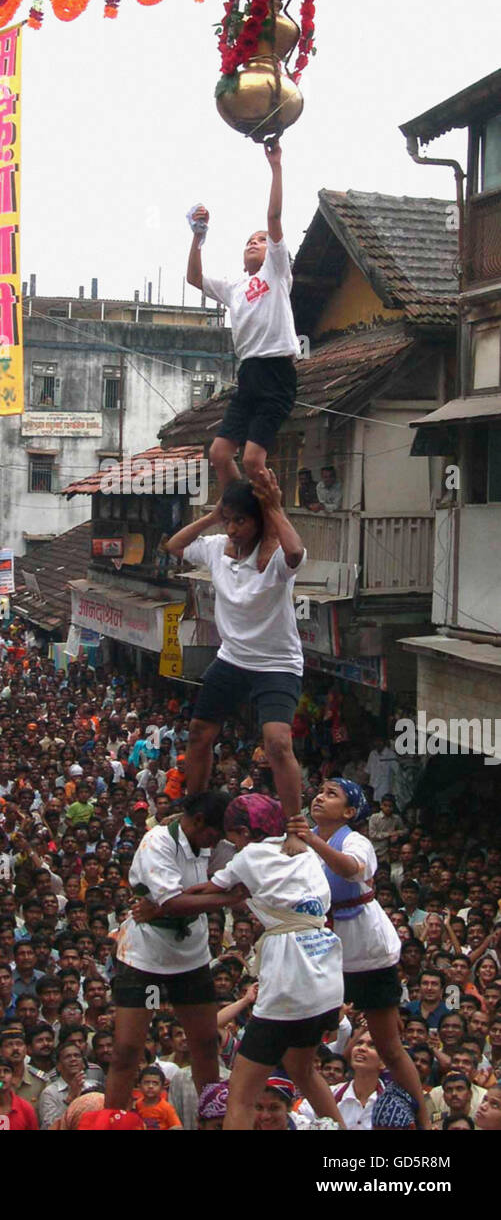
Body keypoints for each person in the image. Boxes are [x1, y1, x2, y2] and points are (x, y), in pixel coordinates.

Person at [188, 794, 345, 1131]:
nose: (232, 845)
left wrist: (166, 901)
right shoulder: (305, 850)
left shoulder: (247, 858)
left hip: (289, 980)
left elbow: (206, 891)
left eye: (233, 838)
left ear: (243, 832)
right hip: (326, 976)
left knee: (241, 1096)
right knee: (303, 1070)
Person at [164, 474, 305, 836]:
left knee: (277, 742)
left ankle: (296, 826)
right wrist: (213, 516)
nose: (233, 528)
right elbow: (175, 546)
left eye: (241, 520)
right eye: (230, 520)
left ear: (260, 522)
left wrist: (274, 507)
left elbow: (296, 553)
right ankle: (194, 808)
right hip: (231, 658)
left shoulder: (273, 558)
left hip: (276, 664)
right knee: (198, 732)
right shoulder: (216, 547)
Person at [289, 779, 430, 1129]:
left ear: (350, 812)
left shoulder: (355, 841)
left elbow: (350, 870)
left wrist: (312, 840)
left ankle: (425, 1120)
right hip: (323, 952)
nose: (320, 797)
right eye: (319, 791)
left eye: (331, 794)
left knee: (389, 1047)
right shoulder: (302, 843)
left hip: (368, 952)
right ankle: (336, 1122)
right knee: (300, 1054)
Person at [186, 143, 299, 564]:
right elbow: (194, 277)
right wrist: (198, 238)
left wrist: (276, 167)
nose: (256, 243)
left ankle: (269, 523)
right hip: (248, 375)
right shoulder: (236, 286)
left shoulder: (276, 271)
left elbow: (273, 218)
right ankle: (239, 509)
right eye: (249, 241)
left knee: (254, 458)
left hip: (277, 372)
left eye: (261, 241)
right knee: (218, 454)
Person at [103, 791, 230, 1110]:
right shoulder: (157, 841)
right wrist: (227, 899)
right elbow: (172, 901)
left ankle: (210, 1116)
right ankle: (114, 1119)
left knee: (204, 1044)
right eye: (214, 834)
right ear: (199, 821)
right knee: (129, 1050)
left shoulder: (208, 842)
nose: (217, 843)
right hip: (147, 962)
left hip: (190, 960)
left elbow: (229, 881)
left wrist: (170, 905)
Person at [133, 1065, 182, 1130]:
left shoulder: (166, 1107)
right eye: (147, 1082)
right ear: (139, 1086)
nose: (150, 1086)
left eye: (155, 1083)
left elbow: (177, 1127)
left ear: (162, 1087)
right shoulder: (137, 1104)